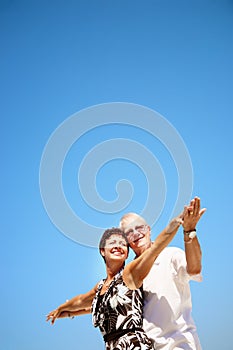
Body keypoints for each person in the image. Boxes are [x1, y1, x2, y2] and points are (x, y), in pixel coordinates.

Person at [47, 214, 184, 349]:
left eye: (123, 244)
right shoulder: (101, 287)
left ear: (127, 253)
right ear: (102, 251)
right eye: (113, 243)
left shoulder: (130, 274)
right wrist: (62, 309)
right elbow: (80, 301)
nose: (118, 246)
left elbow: (155, 249)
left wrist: (175, 224)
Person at [119, 196, 206, 350]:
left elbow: (194, 269)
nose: (136, 233)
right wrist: (65, 310)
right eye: (129, 232)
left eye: (139, 227)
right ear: (126, 242)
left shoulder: (171, 255)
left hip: (179, 345)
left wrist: (190, 231)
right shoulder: (128, 276)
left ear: (148, 230)